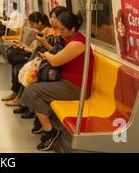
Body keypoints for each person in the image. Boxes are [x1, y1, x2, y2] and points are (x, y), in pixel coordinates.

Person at [20, 11, 94, 151]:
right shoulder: (70, 39)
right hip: (66, 81)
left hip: (77, 87)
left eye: (62, 30)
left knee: (32, 91)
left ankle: (50, 131)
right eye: (58, 29)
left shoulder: (78, 43)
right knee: (33, 84)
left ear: (72, 29)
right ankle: (44, 122)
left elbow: (55, 61)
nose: (59, 33)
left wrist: (47, 55)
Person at [2, 12, 52, 110]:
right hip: (36, 55)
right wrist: (21, 46)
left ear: (40, 22)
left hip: (40, 58)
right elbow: (35, 49)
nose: (32, 26)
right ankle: (16, 93)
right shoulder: (40, 31)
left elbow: (38, 50)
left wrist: (23, 47)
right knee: (16, 64)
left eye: (33, 24)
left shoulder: (45, 31)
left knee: (20, 66)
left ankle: (18, 96)